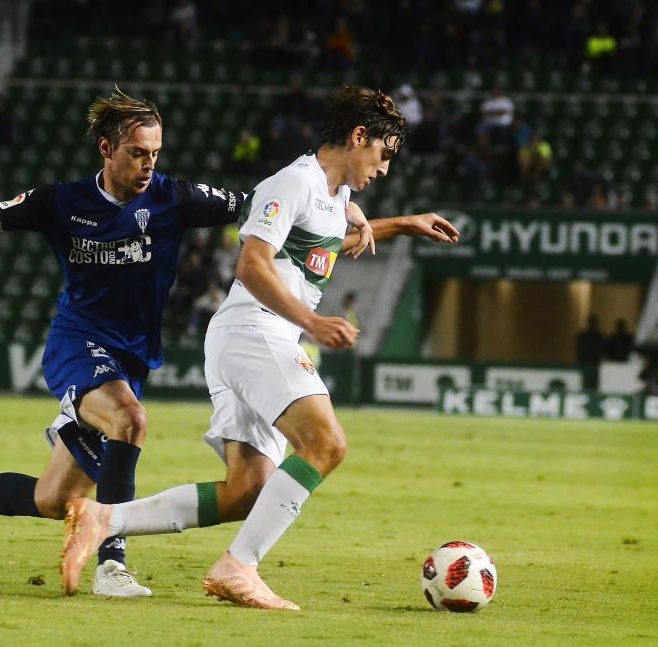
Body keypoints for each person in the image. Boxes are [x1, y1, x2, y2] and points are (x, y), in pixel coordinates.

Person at [61, 85, 460, 610]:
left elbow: (319, 244)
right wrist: (312, 322)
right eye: (383, 154)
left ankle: (105, 518)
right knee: (326, 445)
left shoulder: (334, 197)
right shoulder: (293, 182)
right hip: (256, 333)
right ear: (358, 138)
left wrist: (402, 224)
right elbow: (252, 262)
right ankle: (238, 566)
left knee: (247, 490)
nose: (384, 168)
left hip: (255, 337)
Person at [0, 87, 249, 598]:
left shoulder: (174, 197)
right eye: (137, 153)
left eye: (155, 154)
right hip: (78, 342)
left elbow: (264, 209)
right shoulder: (60, 202)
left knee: (53, 499)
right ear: (106, 148)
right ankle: (112, 565)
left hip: (132, 358)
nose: (149, 165)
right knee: (131, 420)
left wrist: (337, 213)